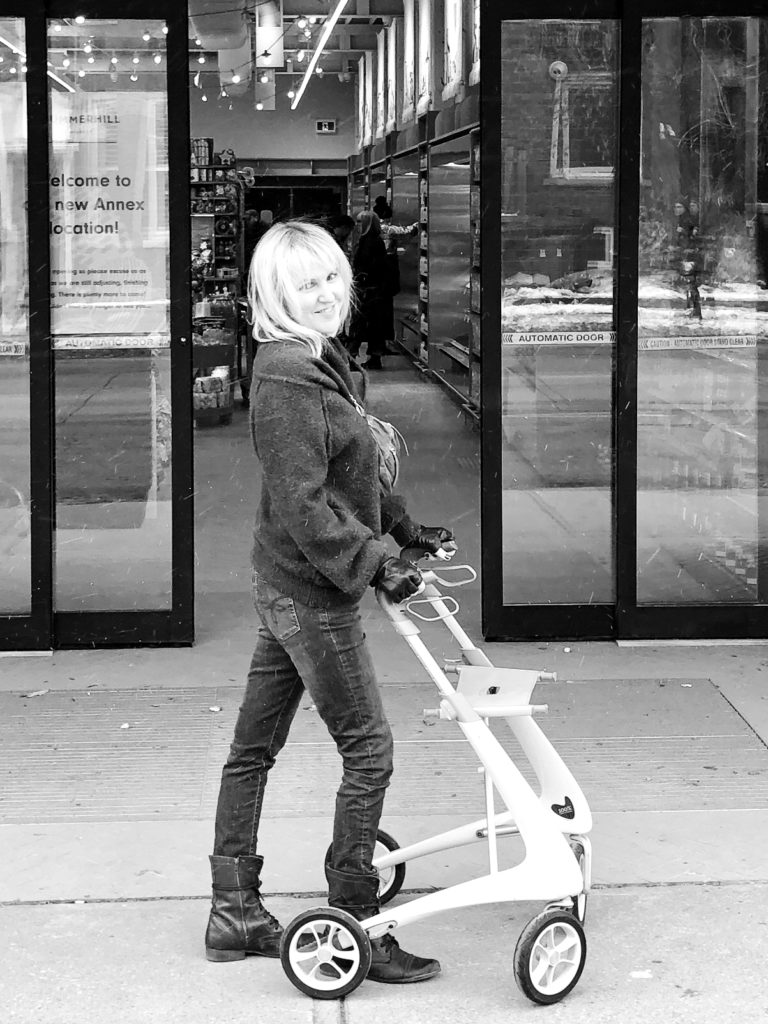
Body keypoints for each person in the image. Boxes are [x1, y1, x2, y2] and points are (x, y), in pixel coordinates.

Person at [205, 219, 456, 985]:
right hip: (310, 594)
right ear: (275, 294)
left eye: (331, 278)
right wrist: (381, 564)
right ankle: (356, 919)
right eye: (305, 283)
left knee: (252, 749)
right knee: (370, 751)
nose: (323, 293)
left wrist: (408, 530)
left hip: (291, 585)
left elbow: (354, 473)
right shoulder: (286, 375)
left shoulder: (323, 359)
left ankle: (234, 908)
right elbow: (306, 505)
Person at [372, 196, 419, 346]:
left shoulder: (371, 227)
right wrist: (420, 223)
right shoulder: (387, 229)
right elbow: (407, 231)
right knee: (384, 307)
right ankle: (383, 341)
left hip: (378, 273)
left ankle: (382, 341)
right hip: (387, 271)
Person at [349, 210, 390, 369]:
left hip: (368, 289)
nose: (357, 226)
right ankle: (373, 356)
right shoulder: (372, 240)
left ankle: (353, 356)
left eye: (360, 222)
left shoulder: (369, 242)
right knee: (372, 325)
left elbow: (370, 266)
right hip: (372, 289)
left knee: (360, 323)